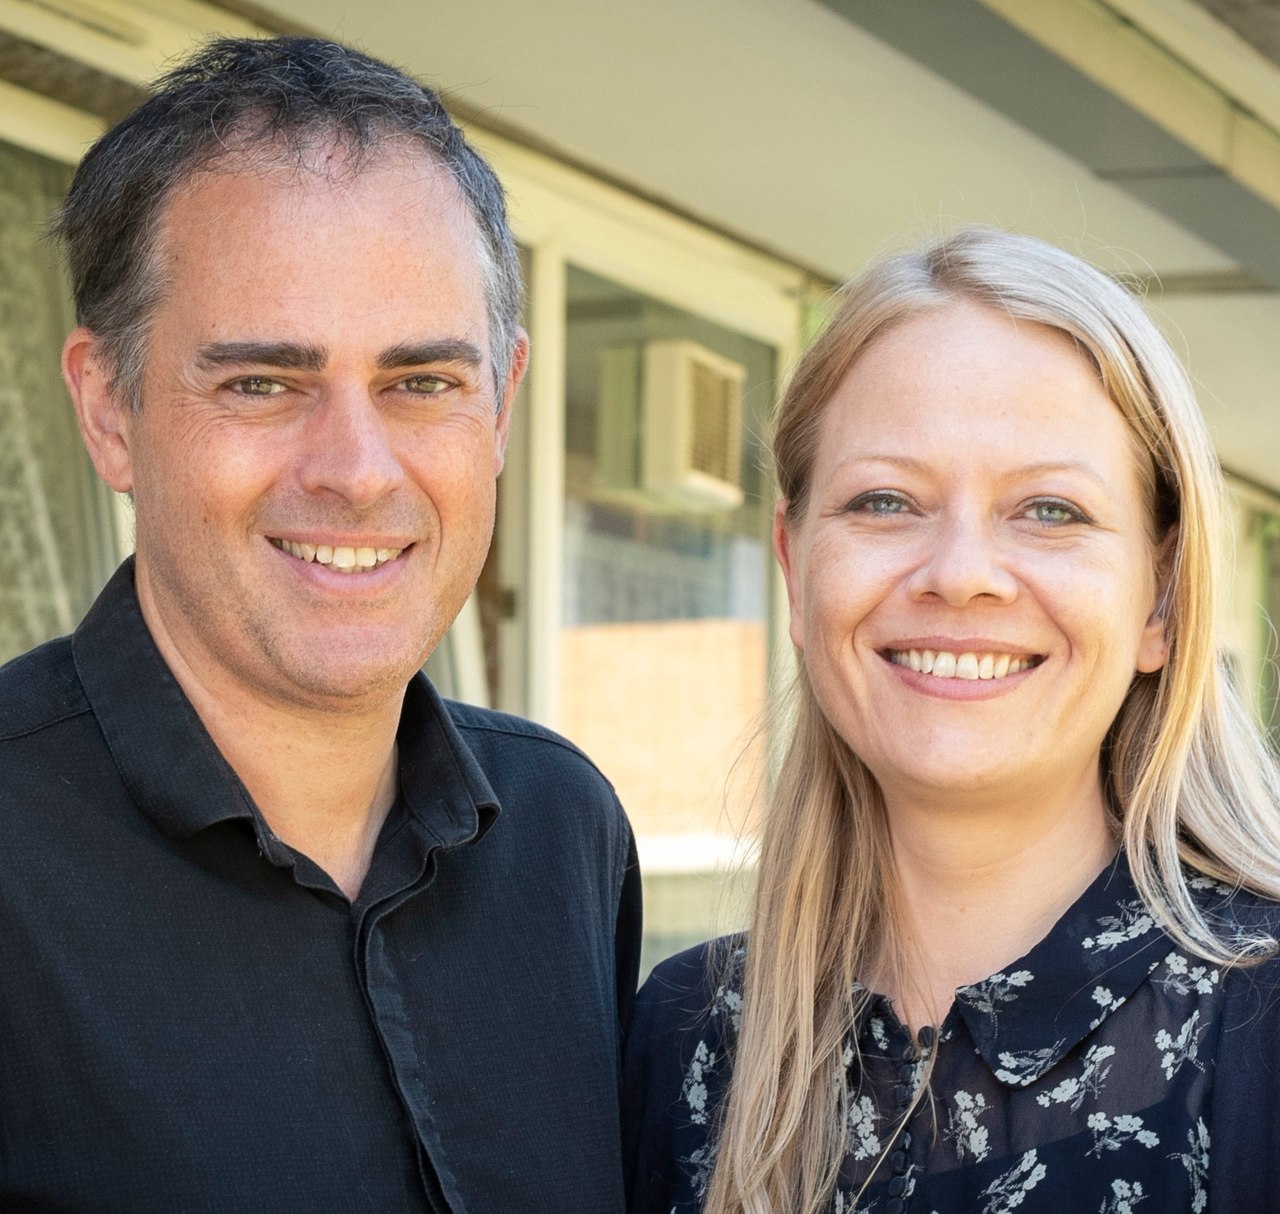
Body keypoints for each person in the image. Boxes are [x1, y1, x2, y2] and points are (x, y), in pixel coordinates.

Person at [0, 36, 640, 1212]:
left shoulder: (564, 833)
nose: (354, 469)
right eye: (262, 382)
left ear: (500, 402)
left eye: (421, 382)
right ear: (108, 411)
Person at [623, 227, 1280, 1214]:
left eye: (1049, 510)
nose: (960, 573)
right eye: (886, 500)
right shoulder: (682, 1037)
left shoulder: (1260, 1024)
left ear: (1161, 597)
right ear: (794, 567)